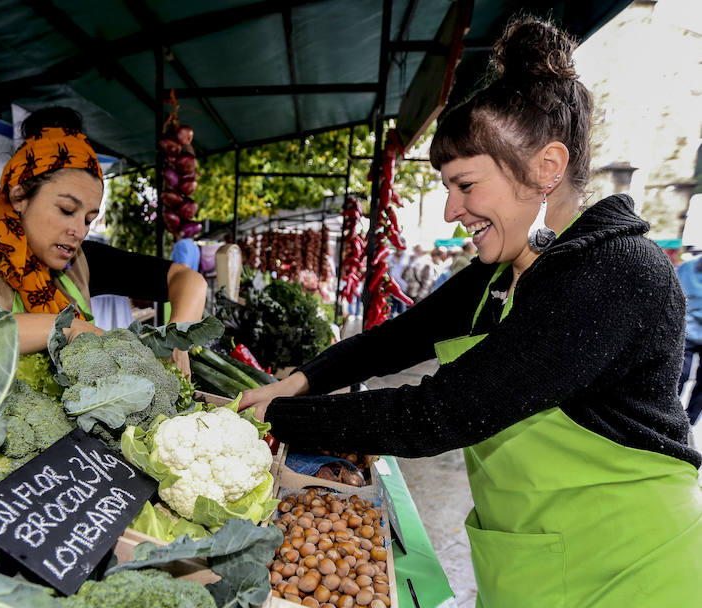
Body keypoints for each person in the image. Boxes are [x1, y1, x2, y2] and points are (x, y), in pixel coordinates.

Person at [241, 16, 701, 606]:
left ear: (546, 169)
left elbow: (439, 413)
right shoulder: (504, 271)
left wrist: (281, 417)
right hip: (532, 558)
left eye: (465, 185)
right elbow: (403, 337)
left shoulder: (618, 273)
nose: (453, 210)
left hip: (633, 568)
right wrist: (302, 380)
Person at [0, 106, 207, 397]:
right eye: (65, 210)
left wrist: (177, 341)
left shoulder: (79, 259)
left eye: (88, 218)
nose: (78, 230)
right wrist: (64, 329)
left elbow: (187, 280)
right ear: (19, 197)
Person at [677, 250, 702, 425]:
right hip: (688, 331)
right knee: (680, 373)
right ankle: (666, 415)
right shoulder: (687, 268)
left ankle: (689, 423)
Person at [388, 244, 410, 316]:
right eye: (397, 247)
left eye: (400, 247)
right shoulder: (390, 257)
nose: (398, 249)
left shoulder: (407, 258)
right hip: (391, 287)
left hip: (402, 288)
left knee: (402, 309)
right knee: (389, 311)